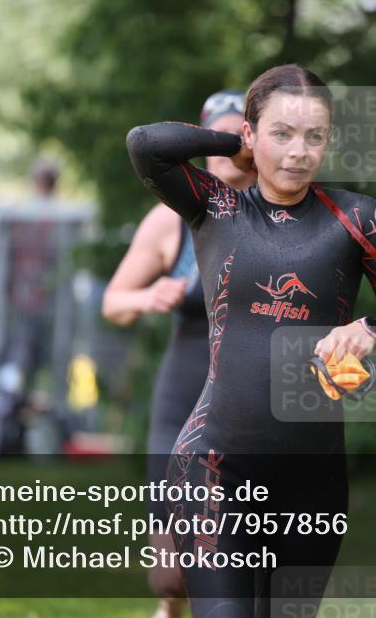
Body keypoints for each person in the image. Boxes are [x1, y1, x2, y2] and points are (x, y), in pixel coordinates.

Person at [126, 65, 376, 617]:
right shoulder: (217, 208)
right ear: (251, 135)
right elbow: (146, 145)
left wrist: (370, 330)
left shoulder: (359, 219)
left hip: (311, 484)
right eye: (281, 133)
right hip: (216, 471)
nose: (298, 151)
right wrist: (236, 140)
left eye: (314, 136)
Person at [103, 91, 255, 618]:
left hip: (249, 407)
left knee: (237, 561)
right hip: (181, 399)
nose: (228, 151)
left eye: (239, 139)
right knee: (170, 575)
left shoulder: (281, 216)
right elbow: (113, 303)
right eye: (218, 138)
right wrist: (149, 296)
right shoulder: (168, 219)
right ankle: (171, 609)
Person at [0, 157, 63, 454]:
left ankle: (33, 434)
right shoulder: (21, 217)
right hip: (20, 310)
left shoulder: (59, 219)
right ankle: (4, 427)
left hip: (47, 313)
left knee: (39, 372)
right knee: (14, 368)